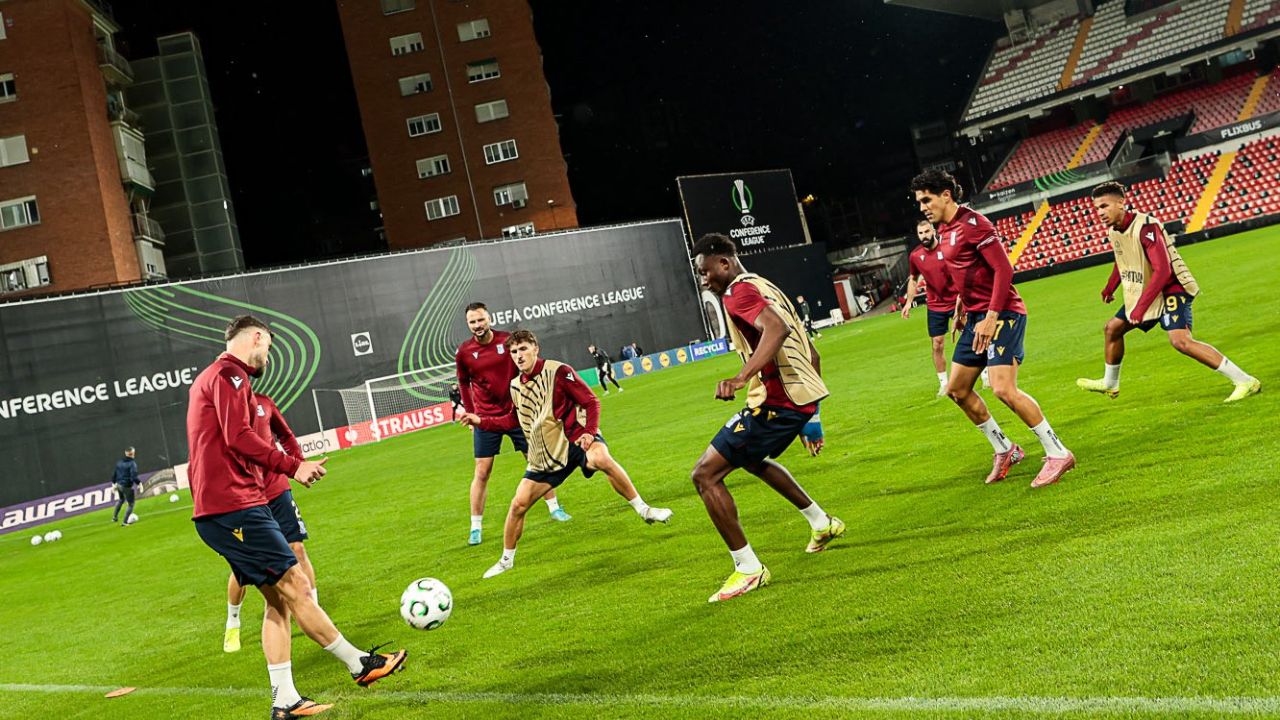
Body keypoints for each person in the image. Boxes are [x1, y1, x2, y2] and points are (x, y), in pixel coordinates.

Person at [187, 315, 406, 719]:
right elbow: (238, 437)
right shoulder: (230, 375)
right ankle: (359, 664)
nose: (267, 356)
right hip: (233, 506)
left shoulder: (215, 378)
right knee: (297, 584)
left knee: (279, 600)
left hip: (229, 506)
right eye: (268, 347)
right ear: (256, 337)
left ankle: (285, 700)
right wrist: (293, 466)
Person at [690, 234, 845, 603]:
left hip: (777, 401)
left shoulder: (738, 292)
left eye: (705, 271)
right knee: (750, 458)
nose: (704, 280)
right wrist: (812, 417)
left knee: (705, 475)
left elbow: (777, 329)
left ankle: (748, 569)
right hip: (798, 398)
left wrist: (740, 377)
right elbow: (812, 353)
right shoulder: (765, 285)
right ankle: (821, 523)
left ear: (724, 263)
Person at [459, 329, 672, 579]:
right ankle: (506, 561)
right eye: (514, 351)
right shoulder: (515, 386)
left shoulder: (559, 371)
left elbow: (591, 402)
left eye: (523, 349)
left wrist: (590, 433)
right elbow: (512, 420)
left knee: (601, 458)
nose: (518, 355)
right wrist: (481, 420)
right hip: (548, 453)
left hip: (577, 438)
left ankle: (644, 509)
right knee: (518, 505)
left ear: (535, 349)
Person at [910, 169, 1075, 489]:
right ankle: (1005, 448)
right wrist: (962, 306)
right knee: (957, 390)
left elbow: (1003, 269)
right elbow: (966, 270)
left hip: (1003, 314)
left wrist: (991, 315)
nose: (922, 207)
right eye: (919, 202)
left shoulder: (974, 224)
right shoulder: (944, 229)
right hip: (975, 317)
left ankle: (1058, 452)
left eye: (926, 200)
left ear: (946, 195)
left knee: (1002, 388)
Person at [1077, 182, 1260, 403]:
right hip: (1147, 289)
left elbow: (1163, 271)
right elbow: (1124, 260)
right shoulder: (1114, 231)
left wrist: (1141, 308)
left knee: (1180, 341)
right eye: (1097, 208)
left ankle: (1245, 381)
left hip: (1172, 288)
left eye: (1104, 206)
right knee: (1112, 328)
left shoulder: (1146, 227)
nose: (1100, 213)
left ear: (1121, 203)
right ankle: (1110, 383)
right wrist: (1110, 287)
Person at [456, 302, 570, 547]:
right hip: (486, 417)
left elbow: (526, 366)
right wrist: (471, 413)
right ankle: (475, 527)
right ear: (468, 324)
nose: (477, 325)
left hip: (518, 412)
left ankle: (554, 508)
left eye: (481, 320)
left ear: (489, 318)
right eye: (472, 322)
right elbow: (463, 383)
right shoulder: (464, 352)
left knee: (538, 461)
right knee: (482, 471)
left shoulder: (507, 342)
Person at [224, 392, 316, 655]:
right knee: (243, 568)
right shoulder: (224, 411)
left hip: (277, 489)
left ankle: (313, 608)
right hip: (246, 499)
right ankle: (233, 621)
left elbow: (285, 435)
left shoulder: (265, 402)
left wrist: (298, 465)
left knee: (297, 549)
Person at [901, 219, 959, 397]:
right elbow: (913, 279)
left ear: (933, 231)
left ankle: (985, 375)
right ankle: (944, 384)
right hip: (935, 304)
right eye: (921, 233)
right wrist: (909, 302)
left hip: (957, 300)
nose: (924, 236)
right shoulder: (915, 256)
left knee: (969, 336)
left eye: (927, 231)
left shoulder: (947, 248)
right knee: (937, 344)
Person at [110, 447, 140, 526]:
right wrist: (139, 483)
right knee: (131, 504)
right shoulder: (132, 463)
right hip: (126, 486)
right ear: (133, 453)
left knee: (121, 500)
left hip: (119, 485)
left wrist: (113, 484)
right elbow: (134, 477)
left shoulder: (119, 462)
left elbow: (114, 474)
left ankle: (114, 517)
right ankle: (125, 522)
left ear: (125, 453)